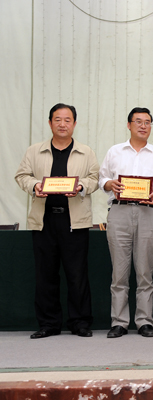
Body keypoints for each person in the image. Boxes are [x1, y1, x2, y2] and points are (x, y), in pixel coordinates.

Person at [15, 103, 99, 339]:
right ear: (50, 123)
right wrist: (34, 185)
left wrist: (81, 186)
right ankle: (49, 323)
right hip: (44, 220)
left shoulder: (86, 152)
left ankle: (80, 322)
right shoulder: (34, 151)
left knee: (77, 274)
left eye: (67, 120)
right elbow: (22, 175)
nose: (62, 124)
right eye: (58, 119)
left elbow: (95, 178)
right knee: (46, 275)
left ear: (74, 123)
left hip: (75, 221)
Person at [99, 107, 153, 339]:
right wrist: (109, 184)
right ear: (129, 125)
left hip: (147, 213)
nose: (143, 126)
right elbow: (102, 178)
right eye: (138, 121)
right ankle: (119, 322)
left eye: (147, 122)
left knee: (145, 272)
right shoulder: (115, 151)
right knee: (119, 273)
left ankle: (144, 321)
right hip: (119, 212)